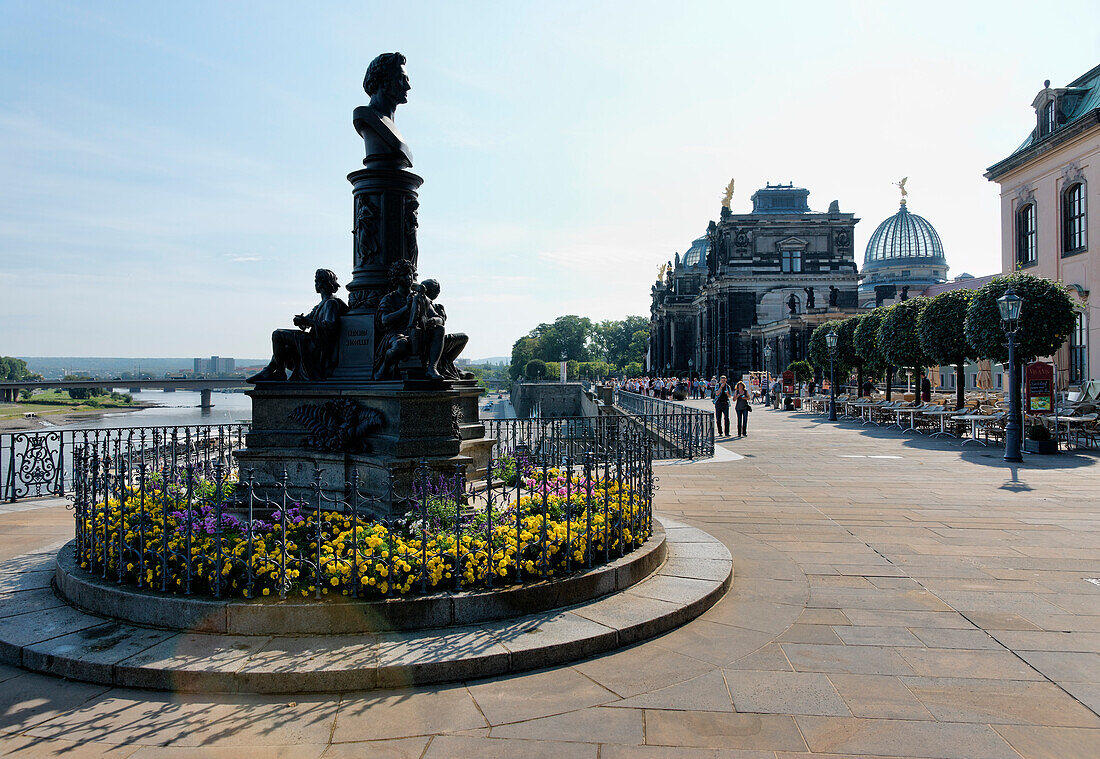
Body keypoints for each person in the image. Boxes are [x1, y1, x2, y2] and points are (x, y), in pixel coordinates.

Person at [248, 269, 348, 382]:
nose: (315, 284)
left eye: (316, 281)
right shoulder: (322, 304)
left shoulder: (331, 303)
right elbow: (308, 319)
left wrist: (307, 321)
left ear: (321, 284)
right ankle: (270, 370)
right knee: (285, 346)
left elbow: (330, 326)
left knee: (278, 335)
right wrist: (301, 320)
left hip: (318, 345)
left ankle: (278, 373)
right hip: (313, 341)